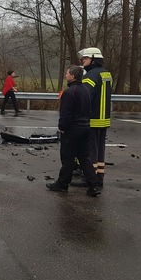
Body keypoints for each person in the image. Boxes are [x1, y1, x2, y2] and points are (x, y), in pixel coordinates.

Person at [46, 65, 101, 196]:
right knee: (84, 157)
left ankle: (62, 184)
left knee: (67, 157)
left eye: (67, 73)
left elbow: (66, 114)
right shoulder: (86, 90)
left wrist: (62, 128)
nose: (66, 75)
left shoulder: (70, 92)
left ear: (73, 76)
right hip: (85, 128)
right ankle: (94, 185)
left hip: (72, 129)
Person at [78, 47, 112, 187]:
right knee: (100, 149)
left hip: (92, 118)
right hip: (104, 118)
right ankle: (99, 177)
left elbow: (85, 97)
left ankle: (90, 178)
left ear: (93, 59)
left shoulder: (90, 76)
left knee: (90, 150)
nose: (83, 61)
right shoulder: (106, 74)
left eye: (85, 59)